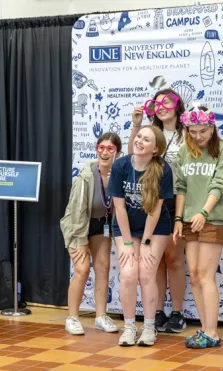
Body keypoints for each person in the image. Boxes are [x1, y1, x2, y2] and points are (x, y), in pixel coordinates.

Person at [174, 105, 223, 349]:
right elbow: (181, 187)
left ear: (212, 128)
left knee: (206, 276)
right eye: (192, 131)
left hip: (213, 217)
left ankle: (213, 332)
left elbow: (220, 184)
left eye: (202, 131)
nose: (197, 136)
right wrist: (179, 218)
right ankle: (205, 328)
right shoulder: (184, 152)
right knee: (196, 275)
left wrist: (203, 211)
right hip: (190, 219)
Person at [128, 89, 187, 334]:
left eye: (167, 102)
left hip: (175, 202)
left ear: (177, 106)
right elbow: (133, 156)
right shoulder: (151, 133)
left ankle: (177, 312)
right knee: (156, 262)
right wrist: (136, 125)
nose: (161, 107)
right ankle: (158, 311)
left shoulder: (187, 135)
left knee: (173, 259)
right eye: (157, 103)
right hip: (151, 202)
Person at [108, 125, 173, 346]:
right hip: (126, 226)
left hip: (155, 228)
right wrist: (127, 242)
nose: (139, 141)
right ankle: (128, 327)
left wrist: (145, 241)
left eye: (146, 140)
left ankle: (148, 327)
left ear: (155, 149)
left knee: (146, 273)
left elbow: (155, 210)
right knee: (128, 274)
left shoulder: (163, 169)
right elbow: (119, 209)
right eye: (138, 136)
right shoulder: (120, 166)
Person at [61, 133, 122, 335]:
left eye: (110, 149)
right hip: (78, 225)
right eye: (101, 148)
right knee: (82, 269)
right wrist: (80, 240)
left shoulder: (118, 174)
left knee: (103, 268)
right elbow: (77, 210)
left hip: (101, 224)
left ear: (117, 152)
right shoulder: (86, 175)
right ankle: (72, 318)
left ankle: (100, 316)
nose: (104, 152)